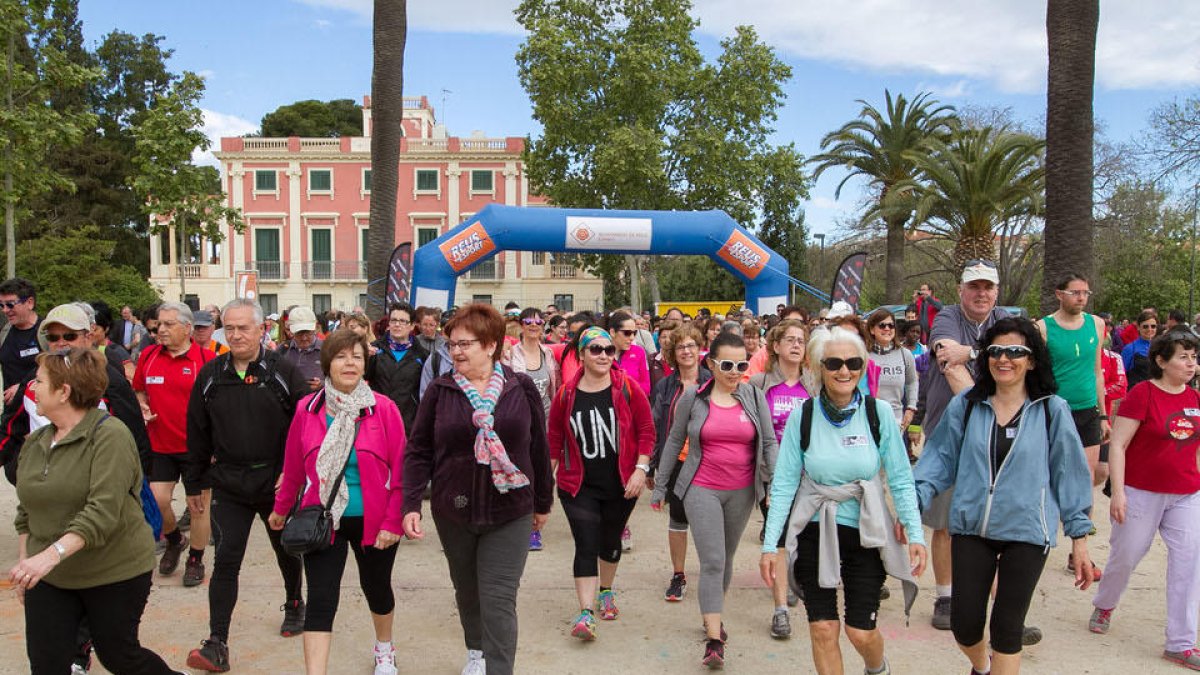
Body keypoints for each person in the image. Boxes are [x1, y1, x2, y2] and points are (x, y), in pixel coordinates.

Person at [915, 317, 1095, 675]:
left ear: (1032, 360)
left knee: (1007, 629)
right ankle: (982, 667)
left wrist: (1079, 538)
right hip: (972, 527)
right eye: (996, 350)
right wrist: (911, 507)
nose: (1004, 358)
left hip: (1027, 531)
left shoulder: (1052, 409)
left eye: (1015, 351)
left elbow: (1070, 473)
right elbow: (937, 461)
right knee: (965, 625)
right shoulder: (967, 405)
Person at [760, 326, 926, 675]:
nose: (844, 371)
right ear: (819, 367)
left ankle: (877, 668)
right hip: (815, 528)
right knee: (823, 628)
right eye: (834, 363)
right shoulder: (803, 415)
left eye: (853, 363)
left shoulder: (878, 413)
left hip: (866, 531)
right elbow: (785, 483)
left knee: (860, 632)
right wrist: (771, 545)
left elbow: (900, 478)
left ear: (863, 367)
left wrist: (915, 533)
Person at [401, 303, 553, 675]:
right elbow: (419, 449)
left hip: (511, 509)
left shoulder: (521, 387)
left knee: (498, 599)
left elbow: (538, 446)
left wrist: (543, 502)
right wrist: (411, 503)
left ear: (490, 345)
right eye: (451, 344)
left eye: (464, 344)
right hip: (454, 509)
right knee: (468, 591)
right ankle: (476, 651)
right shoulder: (440, 390)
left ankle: (498, 668)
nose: (456, 351)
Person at [10, 348, 180, 674]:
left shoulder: (110, 435)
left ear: (64, 392)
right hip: (53, 575)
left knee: (119, 656)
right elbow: (26, 511)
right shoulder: (36, 442)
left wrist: (48, 556)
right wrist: (26, 564)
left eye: (39, 381)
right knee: (46, 663)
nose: (32, 388)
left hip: (114, 569)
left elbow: (101, 512)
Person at [266, 328, 406, 675]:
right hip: (322, 519)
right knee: (321, 598)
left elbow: (403, 473)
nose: (350, 363)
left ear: (365, 364)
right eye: (341, 356)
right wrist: (281, 508)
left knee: (377, 588)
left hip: (373, 521)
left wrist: (393, 522)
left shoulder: (384, 409)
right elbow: (293, 467)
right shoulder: (308, 409)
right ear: (327, 363)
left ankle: (384, 648)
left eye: (357, 357)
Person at [183, 299, 310, 672]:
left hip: (275, 483)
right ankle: (216, 642)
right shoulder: (210, 375)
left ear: (261, 330)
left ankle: (295, 603)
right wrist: (193, 483)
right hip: (229, 484)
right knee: (226, 560)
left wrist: (293, 473)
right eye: (230, 329)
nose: (236, 335)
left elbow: (305, 425)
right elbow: (197, 431)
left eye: (244, 328)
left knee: (285, 550)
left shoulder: (283, 371)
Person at [651, 332, 777, 668]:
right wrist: (660, 486)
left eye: (741, 365)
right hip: (701, 488)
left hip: (743, 491)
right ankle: (713, 639)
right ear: (711, 363)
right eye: (727, 365)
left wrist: (775, 483)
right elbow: (673, 440)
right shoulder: (692, 398)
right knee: (713, 561)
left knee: (727, 558)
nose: (735, 372)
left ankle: (712, 613)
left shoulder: (753, 397)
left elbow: (768, 443)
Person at [1088, 329, 1200, 670]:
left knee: (1189, 564)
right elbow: (1118, 445)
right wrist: (1119, 492)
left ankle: (1180, 643)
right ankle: (1105, 604)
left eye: (1194, 357)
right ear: (1161, 361)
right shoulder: (1143, 393)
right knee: (1126, 555)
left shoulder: (1195, 398)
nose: (1191, 364)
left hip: (1186, 493)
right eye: (1183, 357)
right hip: (1141, 490)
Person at [546, 326, 654, 640]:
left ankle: (606, 589)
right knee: (585, 543)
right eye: (596, 349)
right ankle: (585, 612)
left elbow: (647, 430)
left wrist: (641, 469)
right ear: (582, 355)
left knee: (609, 542)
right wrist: (543, 484)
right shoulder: (566, 394)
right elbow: (554, 440)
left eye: (609, 350)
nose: (604, 355)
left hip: (622, 484)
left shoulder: (628, 388)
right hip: (577, 485)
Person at [921, 260, 1010, 632]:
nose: (981, 293)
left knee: (993, 524)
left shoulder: (1005, 320)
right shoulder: (947, 317)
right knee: (944, 522)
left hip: (995, 438)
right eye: (974, 286)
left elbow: (1020, 354)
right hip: (949, 434)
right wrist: (987, 409)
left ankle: (1002, 608)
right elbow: (947, 358)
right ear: (961, 290)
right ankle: (946, 596)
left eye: (988, 286)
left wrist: (972, 353)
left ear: (997, 291)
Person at [133, 302, 216, 587]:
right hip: (160, 445)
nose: (161, 330)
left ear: (187, 328)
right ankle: (174, 540)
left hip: (197, 449)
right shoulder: (148, 356)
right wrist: (142, 405)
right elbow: (139, 391)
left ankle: (196, 558)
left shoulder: (205, 360)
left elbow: (217, 406)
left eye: (169, 324)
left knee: (199, 508)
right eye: (159, 324)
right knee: (157, 501)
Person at [747, 318, 810, 639]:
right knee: (780, 539)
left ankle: (794, 578)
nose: (796, 345)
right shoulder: (760, 383)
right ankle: (780, 610)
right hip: (771, 475)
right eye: (790, 340)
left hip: (809, 477)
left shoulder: (814, 385)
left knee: (802, 538)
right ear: (775, 346)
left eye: (801, 340)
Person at [649, 324, 710, 603]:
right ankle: (678, 575)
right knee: (677, 519)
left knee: (709, 522)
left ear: (699, 349)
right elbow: (656, 425)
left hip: (708, 461)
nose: (686, 351)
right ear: (672, 353)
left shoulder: (712, 381)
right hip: (676, 462)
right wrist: (653, 465)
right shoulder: (665, 386)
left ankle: (712, 573)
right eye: (680, 347)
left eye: (691, 345)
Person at [1037, 273, 1109, 504]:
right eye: (1075, 292)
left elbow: (1097, 372)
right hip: (1055, 410)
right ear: (1059, 294)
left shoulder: (1096, 324)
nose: (1081, 298)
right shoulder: (1043, 328)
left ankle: (1082, 521)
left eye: (1085, 293)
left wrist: (1104, 415)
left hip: (1088, 409)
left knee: (1087, 475)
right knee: (1054, 474)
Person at [365, 303, 428, 432]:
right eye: (393, 320)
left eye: (403, 321)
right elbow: (363, 378)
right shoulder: (374, 349)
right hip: (376, 418)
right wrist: (364, 358)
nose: (397, 324)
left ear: (412, 326)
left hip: (407, 422)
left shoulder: (422, 355)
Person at [865, 309, 918, 432]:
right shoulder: (864, 355)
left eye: (891, 325)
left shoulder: (905, 354)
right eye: (882, 325)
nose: (887, 329)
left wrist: (911, 408)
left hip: (896, 421)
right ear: (872, 329)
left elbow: (912, 382)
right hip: (868, 420)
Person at [0, 277, 41, 405]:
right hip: (12, 412)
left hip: (40, 410)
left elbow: (57, 368)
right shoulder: (4, 332)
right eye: (1, 305)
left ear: (29, 303)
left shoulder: (47, 332)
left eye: (10, 304)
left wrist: (23, 386)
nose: (5, 310)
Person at [279, 306, 323, 391]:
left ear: (315, 328)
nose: (304, 338)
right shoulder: (282, 349)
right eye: (299, 333)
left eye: (308, 333)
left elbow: (340, 381)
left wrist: (322, 384)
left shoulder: (327, 350)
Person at [1121, 310, 1157, 390]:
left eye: (1153, 326)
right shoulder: (1130, 349)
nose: (1150, 329)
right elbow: (1122, 376)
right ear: (1138, 327)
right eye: (1145, 326)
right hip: (1136, 393)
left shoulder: (1160, 347)